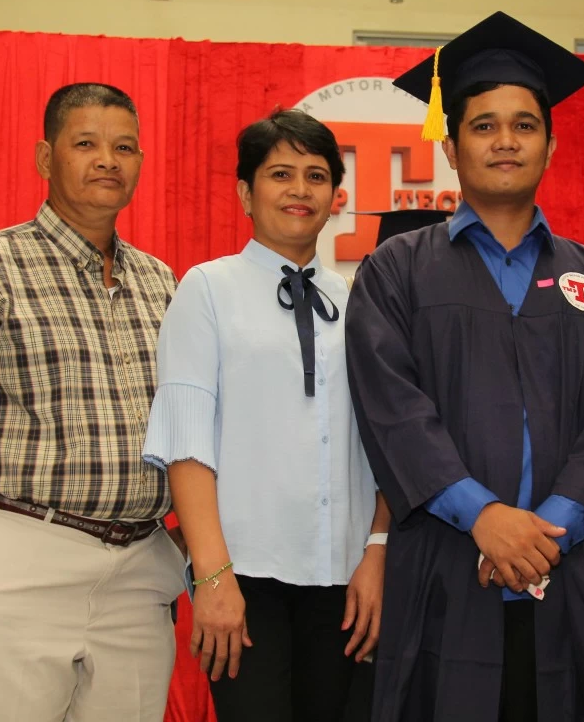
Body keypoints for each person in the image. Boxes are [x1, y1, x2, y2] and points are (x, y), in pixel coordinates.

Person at [346, 11, 584, 722]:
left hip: (571, 572)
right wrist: (482, 517)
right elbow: (393, 411)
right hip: (447, 568)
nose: (505, 141)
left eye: (524, 124)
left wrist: (547, 533)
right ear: (451, 146)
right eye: (483, 126)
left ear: (550, 140)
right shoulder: (398, 271)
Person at [0, 83, 184, 722]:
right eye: (86, 144)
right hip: (12, 557)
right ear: (45, 159)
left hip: (137, 573)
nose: (108, 159)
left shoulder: (161, 282)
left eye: (125, 147)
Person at [143, 109, 389, 722]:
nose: (299, 190)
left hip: (345, 579)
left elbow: (389, 444)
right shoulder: (206, 289)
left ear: (337, 196)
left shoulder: (358, 298)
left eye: (315, 175)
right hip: (246, 576)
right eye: (280, 173)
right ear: (245, 193)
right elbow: (187, 443)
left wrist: (377, 554)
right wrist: (213, 576)